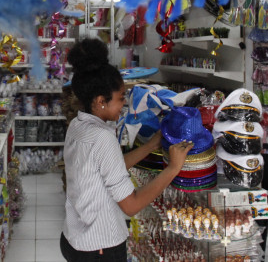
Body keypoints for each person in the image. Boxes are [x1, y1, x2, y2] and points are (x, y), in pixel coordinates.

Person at [61, 39, 192, 261]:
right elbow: (131, 205)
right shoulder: (103, 137)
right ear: (101, 101)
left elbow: (108, 168)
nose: (124, 104)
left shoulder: (78, 125)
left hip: (74, 238)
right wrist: (173, 168)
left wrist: (151, 145)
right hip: (100, 247)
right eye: (121, 98)